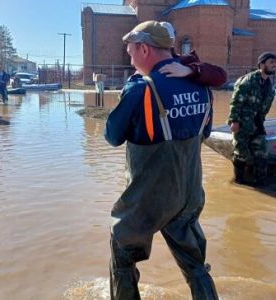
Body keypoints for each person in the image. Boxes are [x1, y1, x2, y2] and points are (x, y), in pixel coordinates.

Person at [105, 21, 219, 300]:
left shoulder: (139, 89)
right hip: (189, 193)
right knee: (195, 264)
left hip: (147, 199)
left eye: (131, 52)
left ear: (144, 49)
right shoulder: (202, 86)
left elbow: (112, 136)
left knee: (122, 253)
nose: (130, 59)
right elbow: (204, 132)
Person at [227, 52, 276, 186]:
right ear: (262, 64)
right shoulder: (248, 80)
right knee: (241, 154)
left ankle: (260, 184)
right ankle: (239, 183)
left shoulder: (269, 86)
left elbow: (264, 109)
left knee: (262, 155)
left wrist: (262, 125)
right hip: (242, 124)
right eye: (271, 62)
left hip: (257, 125)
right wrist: (234, 121)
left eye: (275, 63)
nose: (274, 65)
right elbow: (236, 101)